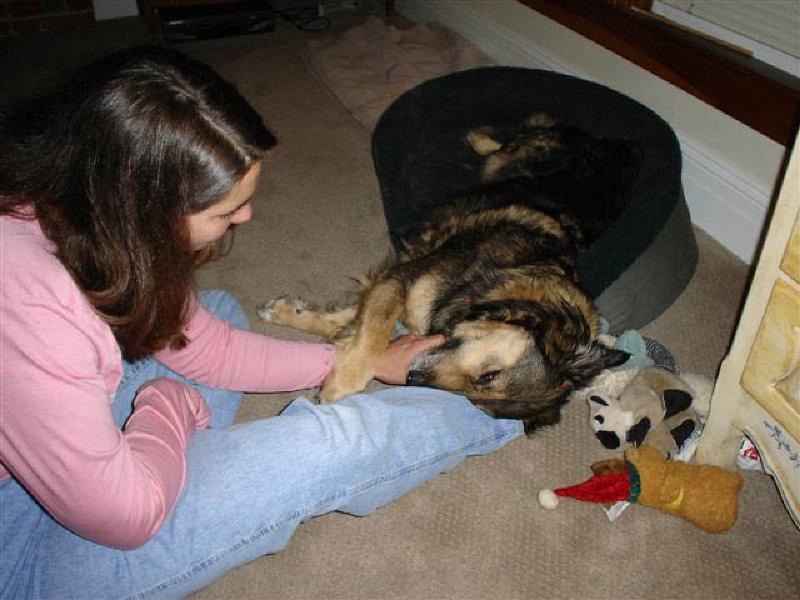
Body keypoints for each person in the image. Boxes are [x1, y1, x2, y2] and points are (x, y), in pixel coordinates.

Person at [0, 46, 522, 599]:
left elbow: (209, 349)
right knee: (332, 444)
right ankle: (506, 407)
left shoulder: (54, 202)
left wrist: (360, 360)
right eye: (224, 212)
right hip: (21, 549)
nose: (245, 218)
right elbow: (126, 519)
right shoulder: (26, 307)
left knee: (214, 312)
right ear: (136, 211)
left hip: (39, 449)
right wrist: (166, 406)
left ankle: (171, 463)